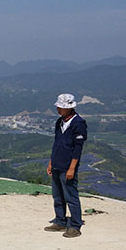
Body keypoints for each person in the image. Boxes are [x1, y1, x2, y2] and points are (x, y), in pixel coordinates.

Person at [45, 93, 88, 238]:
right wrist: (51, 162)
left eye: (61, 107)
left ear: (69, 108)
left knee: (71, 195)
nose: (58, 109)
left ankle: (75, 225)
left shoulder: (78, 123)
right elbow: (56, 143)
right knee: (57, 195)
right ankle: (60, 220)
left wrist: (72, 168)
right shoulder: (59, 122)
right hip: (57, 163)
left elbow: (78, 148)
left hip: (67, 166)